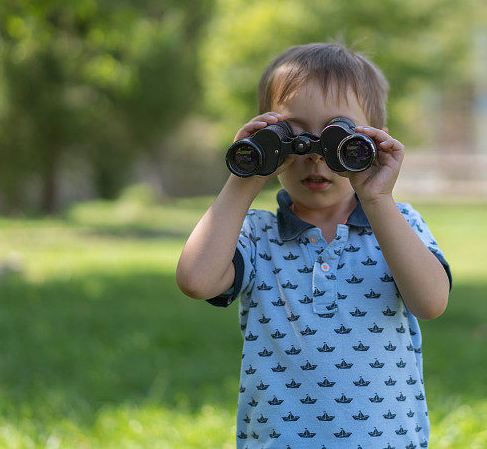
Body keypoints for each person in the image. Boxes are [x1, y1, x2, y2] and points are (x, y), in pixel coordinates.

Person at [176, 42, 452, 448]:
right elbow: (196, 280)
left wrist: (377, 199)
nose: (315, 155)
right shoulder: (255, 234)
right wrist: (244, 177)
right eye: (292, 134)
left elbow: (431, 303)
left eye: (336, 135)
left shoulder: (398, 224)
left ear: (374, 140)